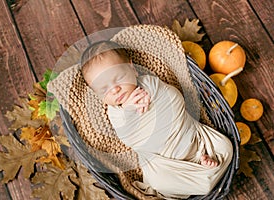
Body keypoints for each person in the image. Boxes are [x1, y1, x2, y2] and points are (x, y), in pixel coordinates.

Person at [80, 40, 233, 199]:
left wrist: (154, 97)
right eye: (104, 89)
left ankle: (202, 168)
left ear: (132, 68)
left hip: (195, 139)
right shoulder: (115, 113)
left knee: (226, 146)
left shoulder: (149, 83)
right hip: (164, 163)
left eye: (119, 78)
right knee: (159, 183)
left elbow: (173, 97)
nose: (114, 89)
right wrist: (130, 110)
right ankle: (205, 173)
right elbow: (128, 137)